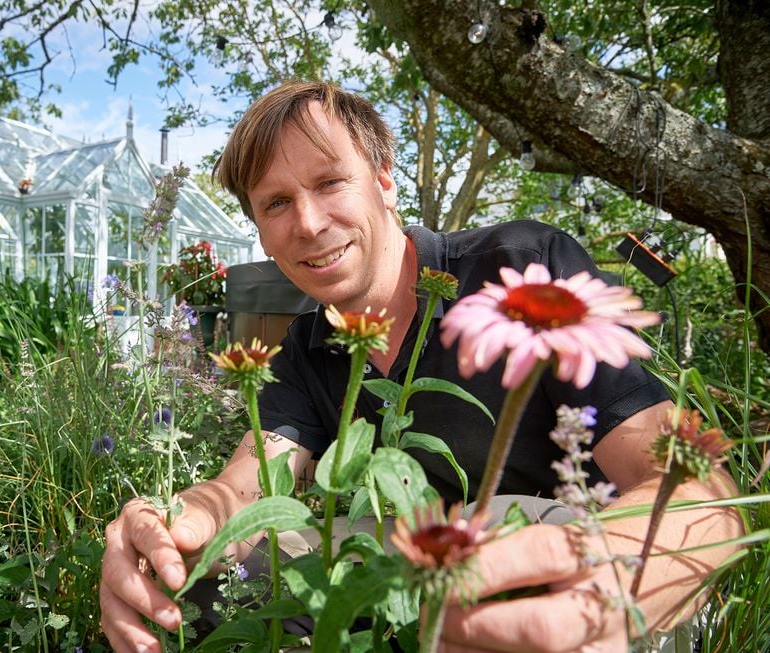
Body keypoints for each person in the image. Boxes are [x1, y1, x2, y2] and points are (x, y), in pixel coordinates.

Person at [100, 81, 741, 653]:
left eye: (329, 183)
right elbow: (247, 486)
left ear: (384, 180)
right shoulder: (305, 345)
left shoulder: (523, 272)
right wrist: (180, 524)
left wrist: (609, 583)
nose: (309, 223)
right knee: (214, 580)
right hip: (417, 574)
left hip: (564, 572)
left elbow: (701, 495)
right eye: (275, 204)